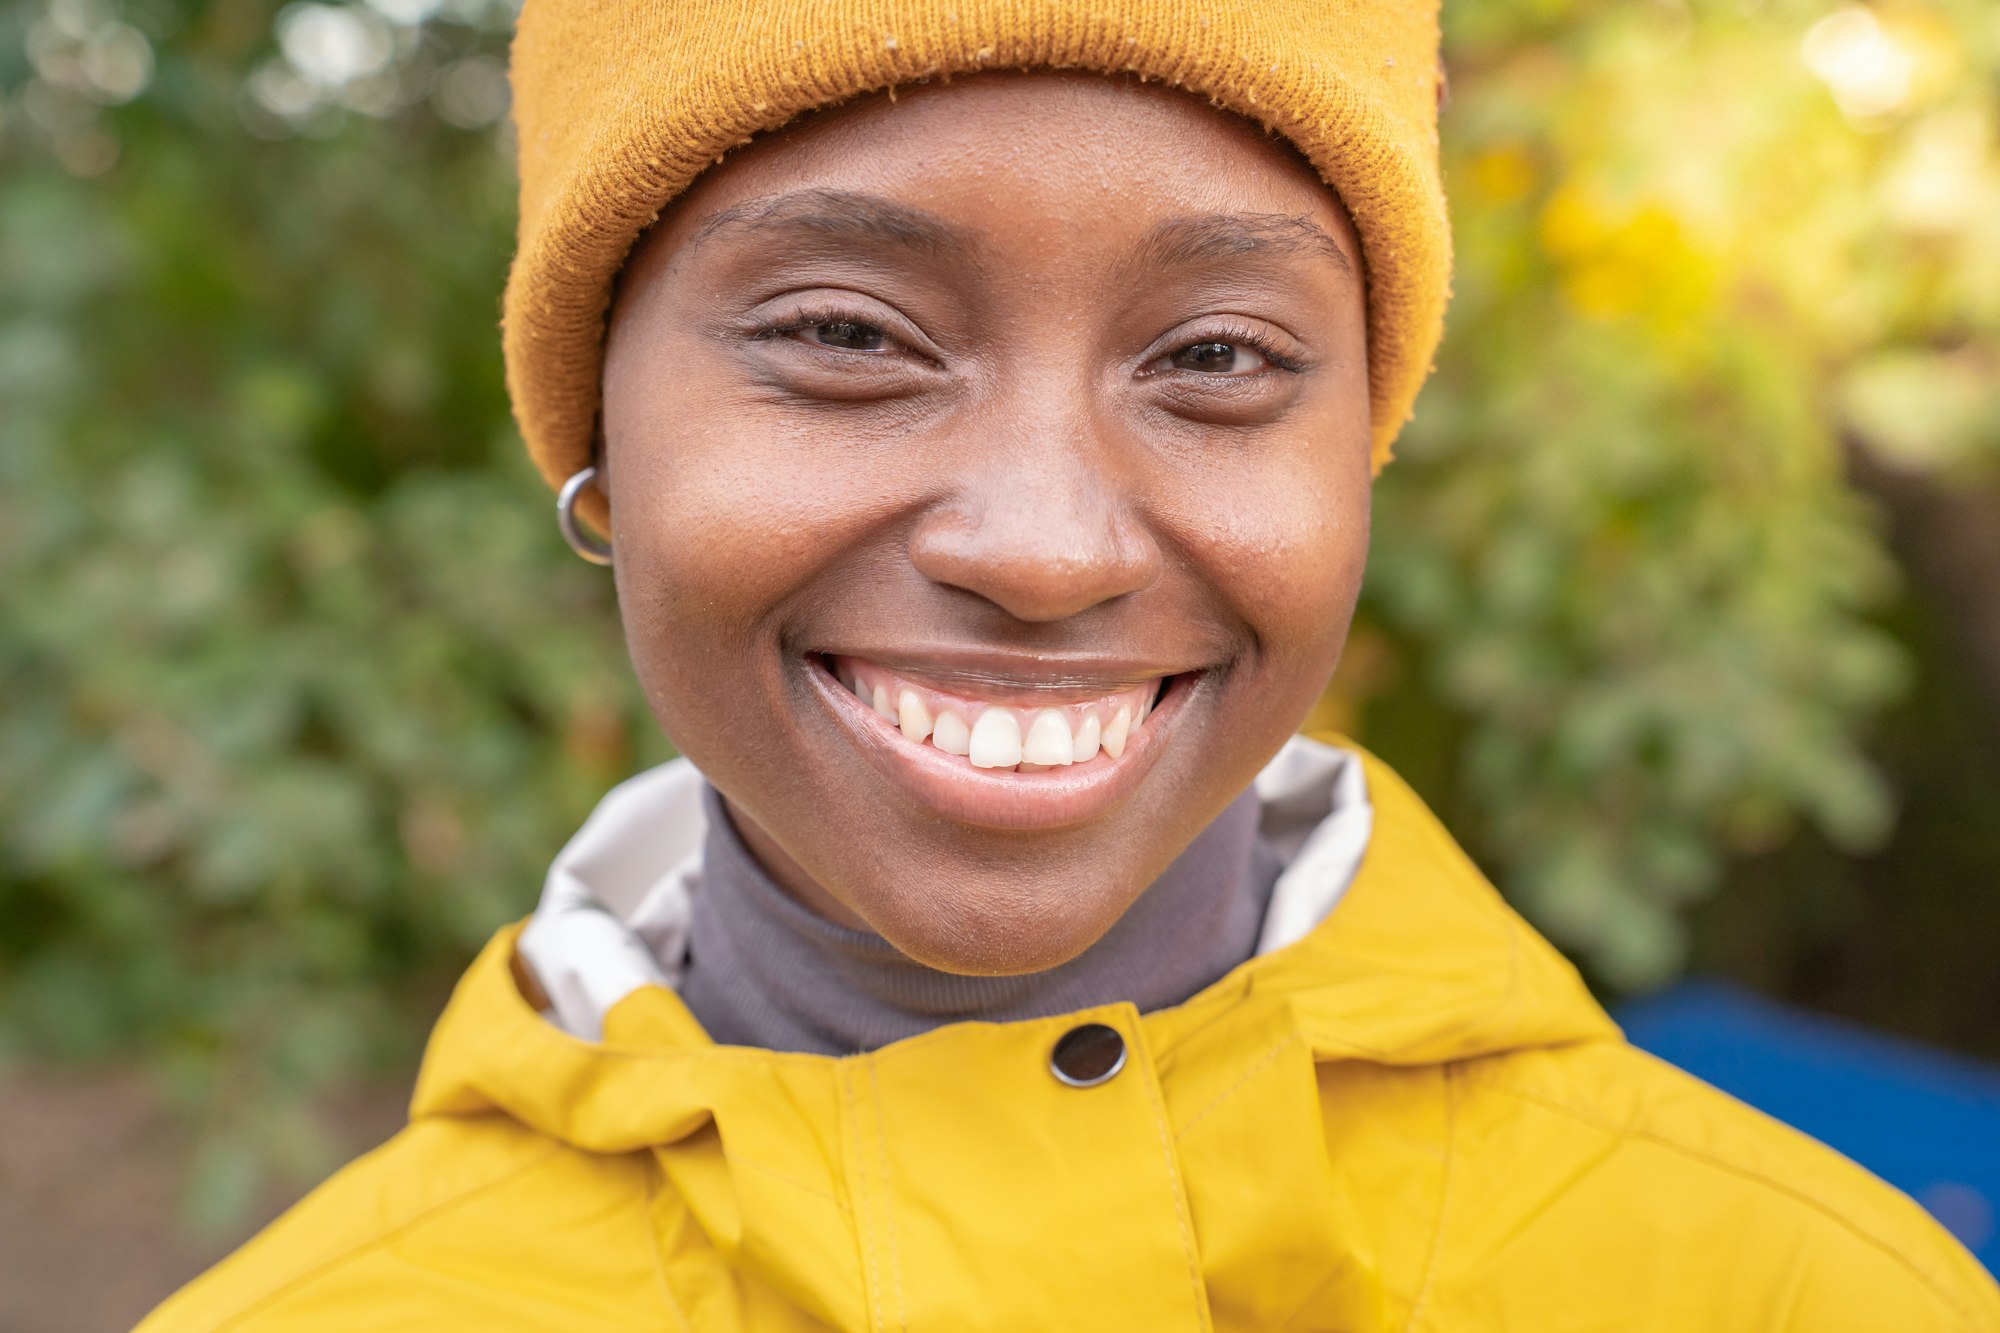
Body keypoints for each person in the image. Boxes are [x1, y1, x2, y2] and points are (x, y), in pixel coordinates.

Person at [141, 2, 2000, 1328]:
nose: (1046, 546)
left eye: (1214, 359)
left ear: (1359, 449)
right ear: (598, 438)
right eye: (850, 333)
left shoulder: (1793, 1293)